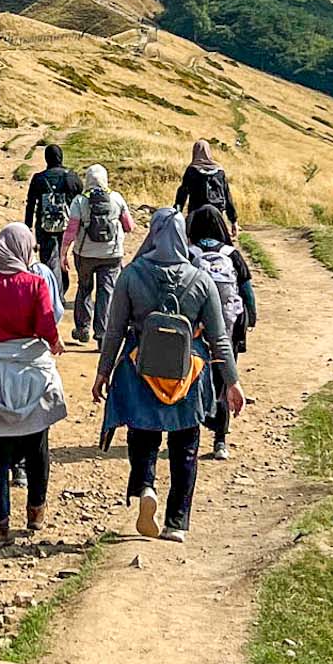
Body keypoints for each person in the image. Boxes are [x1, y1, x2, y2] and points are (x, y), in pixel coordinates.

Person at [92, 208, 243, 544]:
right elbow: (219, 337)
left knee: (142, 436)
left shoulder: (131, 275)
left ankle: (146, 485)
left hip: (138, 369)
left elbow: (114, 329)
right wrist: (232, 382)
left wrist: (103, 373)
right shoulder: (201, 279)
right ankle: (177, 522)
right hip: (188, 373)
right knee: (185, 445)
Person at [0, 223, 65, 549]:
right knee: (37, 445)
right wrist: (55, 341)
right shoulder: (36, 283)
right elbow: (46, 325)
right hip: (33, 369)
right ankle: (35, 510)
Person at [186, 206, 257, 459]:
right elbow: (246, 290)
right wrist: (251, 317)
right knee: (225, 378)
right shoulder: (232, 253)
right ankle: (220, 441)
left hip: (197, 330)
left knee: (193, 377)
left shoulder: (190, 252)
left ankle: (191, 431)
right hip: (230, 328)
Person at [64, 163, 134, 345]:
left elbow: (71, 231)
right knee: (106, 292)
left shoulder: (79, 201)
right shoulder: (116, 198)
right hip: (112, 254)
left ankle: (82, 329)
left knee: (84, 289)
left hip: (85, 253)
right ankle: (102, 334)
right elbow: (129, 226)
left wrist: (63, 253)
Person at [24, 144, 83, 300]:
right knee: (62, 256)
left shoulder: (39, 178)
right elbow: (81, 198)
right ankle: (61, 289)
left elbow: (30, 204)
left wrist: (27, 226)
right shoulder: (71, 176)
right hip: (67, 225)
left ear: (46, 158)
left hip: (44, 226)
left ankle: (55, 294)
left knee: (50, 259)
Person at [173, 139, 239, 234]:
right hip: (217, 213)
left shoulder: (192, 170)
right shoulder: (219, 171)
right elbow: (227, 196)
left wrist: (176, 213)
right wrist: (233, 220)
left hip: (196, 213)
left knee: (191, 243)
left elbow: (182, 194)